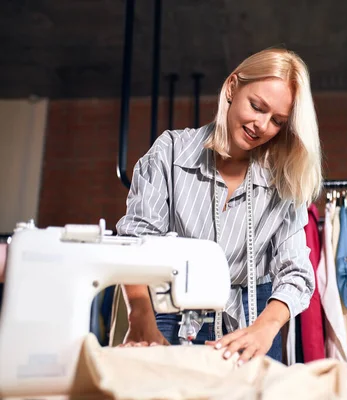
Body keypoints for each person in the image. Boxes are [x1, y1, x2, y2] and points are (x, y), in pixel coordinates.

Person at [115, 47, 322, 365]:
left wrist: (265, 328)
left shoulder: (284, 179)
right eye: (257, 106)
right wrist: (140, 315)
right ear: (231, 87)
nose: (261, 125)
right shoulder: (170, 153)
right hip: (167, 309)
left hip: (253, 316)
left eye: (278, 121)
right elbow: (133, 243)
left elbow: (297, 273)